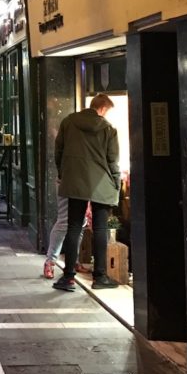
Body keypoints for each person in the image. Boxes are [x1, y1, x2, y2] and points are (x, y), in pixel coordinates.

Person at [52, 94, 121, 292]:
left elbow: (58, 151)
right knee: (100, 230)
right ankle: (100, 277)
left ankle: (68, 278)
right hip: (101, 183)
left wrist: (63, 173)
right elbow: (113, 160)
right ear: (103, 109)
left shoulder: (69, 122)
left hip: (74, 181)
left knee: (74, 227)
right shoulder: (108, 129)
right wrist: (116, 182)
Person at [43, 196, 90, 279]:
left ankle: (73, 261)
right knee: (63, 222)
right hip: (67, 185)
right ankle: (50, 261)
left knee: (81, 222)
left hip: (84, 186)